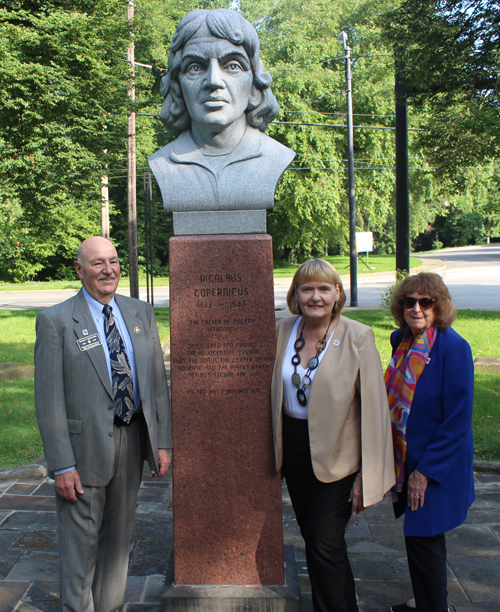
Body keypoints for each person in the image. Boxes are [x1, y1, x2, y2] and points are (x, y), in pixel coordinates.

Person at [34, 236, 172, 612]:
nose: (108, 270)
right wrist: (62, 465)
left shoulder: (140, 313)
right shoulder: (56, 322)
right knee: (80, 553)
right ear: (80, 270)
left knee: (117, 550)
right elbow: (49, 401)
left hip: (131, 442)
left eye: (113, 261)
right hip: (83, 452)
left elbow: (156, 383)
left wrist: (162, 442)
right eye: (97, 263)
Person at [271, 259, 395, 612]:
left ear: (337, 294)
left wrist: (366, 476)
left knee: (323, 545)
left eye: (325, 289)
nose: (316, 297)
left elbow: (373, 409)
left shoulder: (358, 336)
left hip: (339, 456)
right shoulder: (282, 331)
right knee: (320, 542)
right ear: (295, 294)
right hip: (294, 450)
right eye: (307, 289)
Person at [384, 273, 475, 612]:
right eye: (409, 302)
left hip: (437, 464)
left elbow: (457, 420)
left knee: (424, 536)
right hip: (410, 456)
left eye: (426, 302)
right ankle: (424, 600)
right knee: (424, 536)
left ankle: (431, 605)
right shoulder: (401, 341)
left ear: (439, 305)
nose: (417, 308)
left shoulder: (454, 348)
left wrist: (424, 472)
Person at [148, 8, 295, 213]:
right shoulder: (162, 162)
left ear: (254, 83)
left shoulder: (276, 156)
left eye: (232, 66)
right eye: (195, 67)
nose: (213, 81)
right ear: (177, 85)